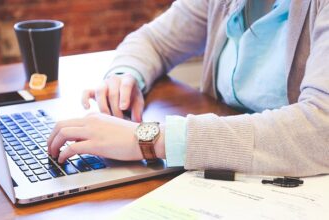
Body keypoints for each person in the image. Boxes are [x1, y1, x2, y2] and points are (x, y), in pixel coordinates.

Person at [47, 0, 329, 176]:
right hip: (227, 171)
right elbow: (154, 40)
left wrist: (151, 139)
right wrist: (125, 75)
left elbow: (320, 130)